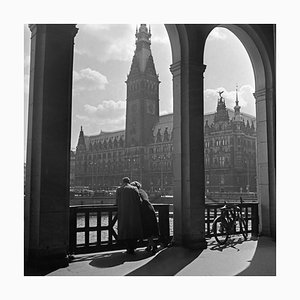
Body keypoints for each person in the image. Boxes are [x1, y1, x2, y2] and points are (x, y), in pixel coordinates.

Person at [116, 177, 143, 254]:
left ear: (123, 182)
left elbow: (117, 202)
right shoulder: (134, 189)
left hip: (123, 213)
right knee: (133, 230)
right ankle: (133, 247)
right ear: (129, 182)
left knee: (125, 230)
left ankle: (128, 248)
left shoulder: (119, 189)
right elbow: (139, 201)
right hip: (134, 213)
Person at [131, 181, 159, 254]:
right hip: (150, 208)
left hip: (144, 211)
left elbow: (138, 202)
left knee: (146, 228)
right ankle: (149, 245)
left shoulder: (136, 192)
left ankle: (153, 244)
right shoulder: (143, 191)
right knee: (150, 228)